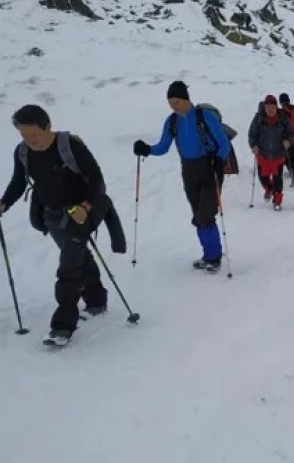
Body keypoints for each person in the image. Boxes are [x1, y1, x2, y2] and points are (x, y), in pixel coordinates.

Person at [0, 105, 111, 346]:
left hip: (79, 214)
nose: (30, 141)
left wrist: (86, 206)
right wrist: (4, 203)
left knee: (69, 267)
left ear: (47, 126)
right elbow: (18, 183)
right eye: (24, 135)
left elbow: (96, 178)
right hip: (51, 215)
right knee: (78, 255)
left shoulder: (70, 146)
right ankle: (96, 299)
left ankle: (63, 325)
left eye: (34, 135)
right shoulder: (22, 152)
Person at [133, 81, 229, 272]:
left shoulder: (204, 117)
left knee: (206, 214)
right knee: (198, 214)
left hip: (210, 168)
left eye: (176, 102)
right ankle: (208, 254)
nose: (173, 106)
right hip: (189, 171)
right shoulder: (172, 122)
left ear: (185, 99)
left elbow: (223, 143)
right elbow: (163, 147)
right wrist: (146, 150)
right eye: (170, 103)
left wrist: (219, 160)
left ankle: (214, 256)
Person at [249, 95, 294, 211]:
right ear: (264, 107)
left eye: (272, 107)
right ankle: (268, 188)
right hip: (262, 154)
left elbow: (291, 133)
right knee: (263, 177)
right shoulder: (259, 118)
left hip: (278, 154)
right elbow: (252, 134)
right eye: (267, 107)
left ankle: (277, 201)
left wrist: (288, 141)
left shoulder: (283, 118)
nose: (270, 109)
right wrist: (253, 145)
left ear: (276, 107)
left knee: (277, 178)